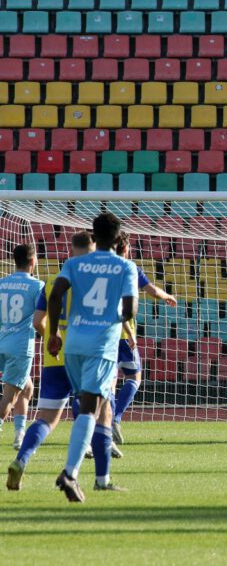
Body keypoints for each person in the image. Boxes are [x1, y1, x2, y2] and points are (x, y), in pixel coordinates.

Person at [48, 212, 138, 501]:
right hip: (101, 345)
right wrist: (115, 316)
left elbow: (55, 295)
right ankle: (71, 473)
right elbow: (130, 309)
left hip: (72, 344)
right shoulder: (125, 267)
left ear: (94, 236)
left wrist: (53, 333)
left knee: (93, 407)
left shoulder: (74, 263)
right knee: (92, 408)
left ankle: (101, 477)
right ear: (117, 238)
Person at [8, 231, 95, 491]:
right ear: (91, 251)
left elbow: (37, 322)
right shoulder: (93, 280)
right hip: (84, 355)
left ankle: (21, 459)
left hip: (54, 357)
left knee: (45, 418)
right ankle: (83, 469)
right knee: (91, 408)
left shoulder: (51, 281)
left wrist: (53, 336)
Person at [110, 232, 177, 445]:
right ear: (126, 248)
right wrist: (167, 296)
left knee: (109, 382)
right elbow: (152, 291)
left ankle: (105, 421)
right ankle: (115, 417)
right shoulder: (130, 268)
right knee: (134, 377)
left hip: (103, 334)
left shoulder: (104, 270)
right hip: (123, 333)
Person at [0, 244, 45, 453]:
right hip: (20, 347)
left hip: (2, 340)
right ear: (32, 261)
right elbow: (40, 317)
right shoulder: (37, 286)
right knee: (9, 396)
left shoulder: (2, 283)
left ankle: (19, 436)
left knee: (26, 388)